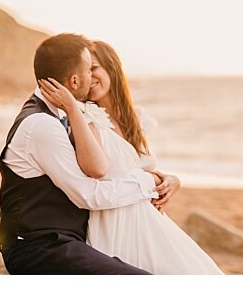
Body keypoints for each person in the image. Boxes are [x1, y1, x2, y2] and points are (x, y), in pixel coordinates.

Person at [35, 41, 224, 274]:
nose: (88, 76)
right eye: (84, 70)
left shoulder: (136, 118)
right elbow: (97, 171)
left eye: (94, 68)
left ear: (111, 67)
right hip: (114, 225)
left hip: (150, 222)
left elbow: (137, 166)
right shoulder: (84, 118)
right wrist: (73, 108)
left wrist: (171, 180)